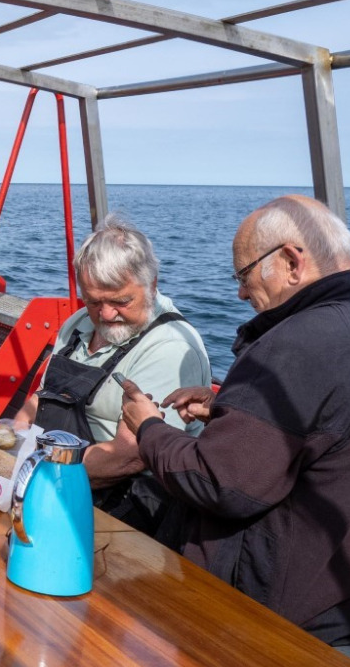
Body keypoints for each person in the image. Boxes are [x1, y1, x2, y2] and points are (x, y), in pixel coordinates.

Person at [121, 195, 350, 657]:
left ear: (291, 262)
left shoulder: (295, 344)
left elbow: (220, 483)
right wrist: (228, 410)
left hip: (272, 622)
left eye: (244, 275)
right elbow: (335, 430)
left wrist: (149, 428)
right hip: (345, 600)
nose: (239, 294)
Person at [13, 214, 211, 544]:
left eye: (120, 301)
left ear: (152, 284)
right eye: (93, 301)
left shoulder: (170, 347)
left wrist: (33, 475)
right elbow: (40, 399)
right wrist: (14, 441)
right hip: (52, 479)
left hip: (123, 507)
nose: (105, 314)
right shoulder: (78, 324)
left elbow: (129, 456)